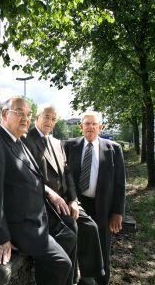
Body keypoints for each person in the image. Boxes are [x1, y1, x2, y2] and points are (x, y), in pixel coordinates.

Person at [0, 97, 74, 285]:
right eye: (19, 112)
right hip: (21, 226)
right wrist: (0, 237)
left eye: (28, 114)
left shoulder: (19, 140)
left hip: (39, 218)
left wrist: (48, 193)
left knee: (69, 237)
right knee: (61, 263)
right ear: (4, 114)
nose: (25, 118)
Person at [24, 104, 104, 285]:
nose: (49, 122)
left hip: (66, 198)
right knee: (72, 230)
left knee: (91, 226)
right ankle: (70, 280)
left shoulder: (57, 142)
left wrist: (74, 200)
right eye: (46, 117)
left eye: (53, 119)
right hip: (46, 201)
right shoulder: (27, 140)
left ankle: (89, 274)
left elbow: (67, 174)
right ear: (37, 118)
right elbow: (28, 176)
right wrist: (52, 195)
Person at [64, 111, 126, 285]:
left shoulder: (113, 149)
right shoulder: (70, 146)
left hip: (103, 208)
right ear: (81, 126)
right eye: (86, 123)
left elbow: (120, 184)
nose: (90, 127)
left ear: (101, 127)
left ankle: (101, 281)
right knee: (76, 246)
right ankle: (81, 279)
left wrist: (117, 212)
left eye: (94, 124)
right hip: (77, 205)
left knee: (102, 249)